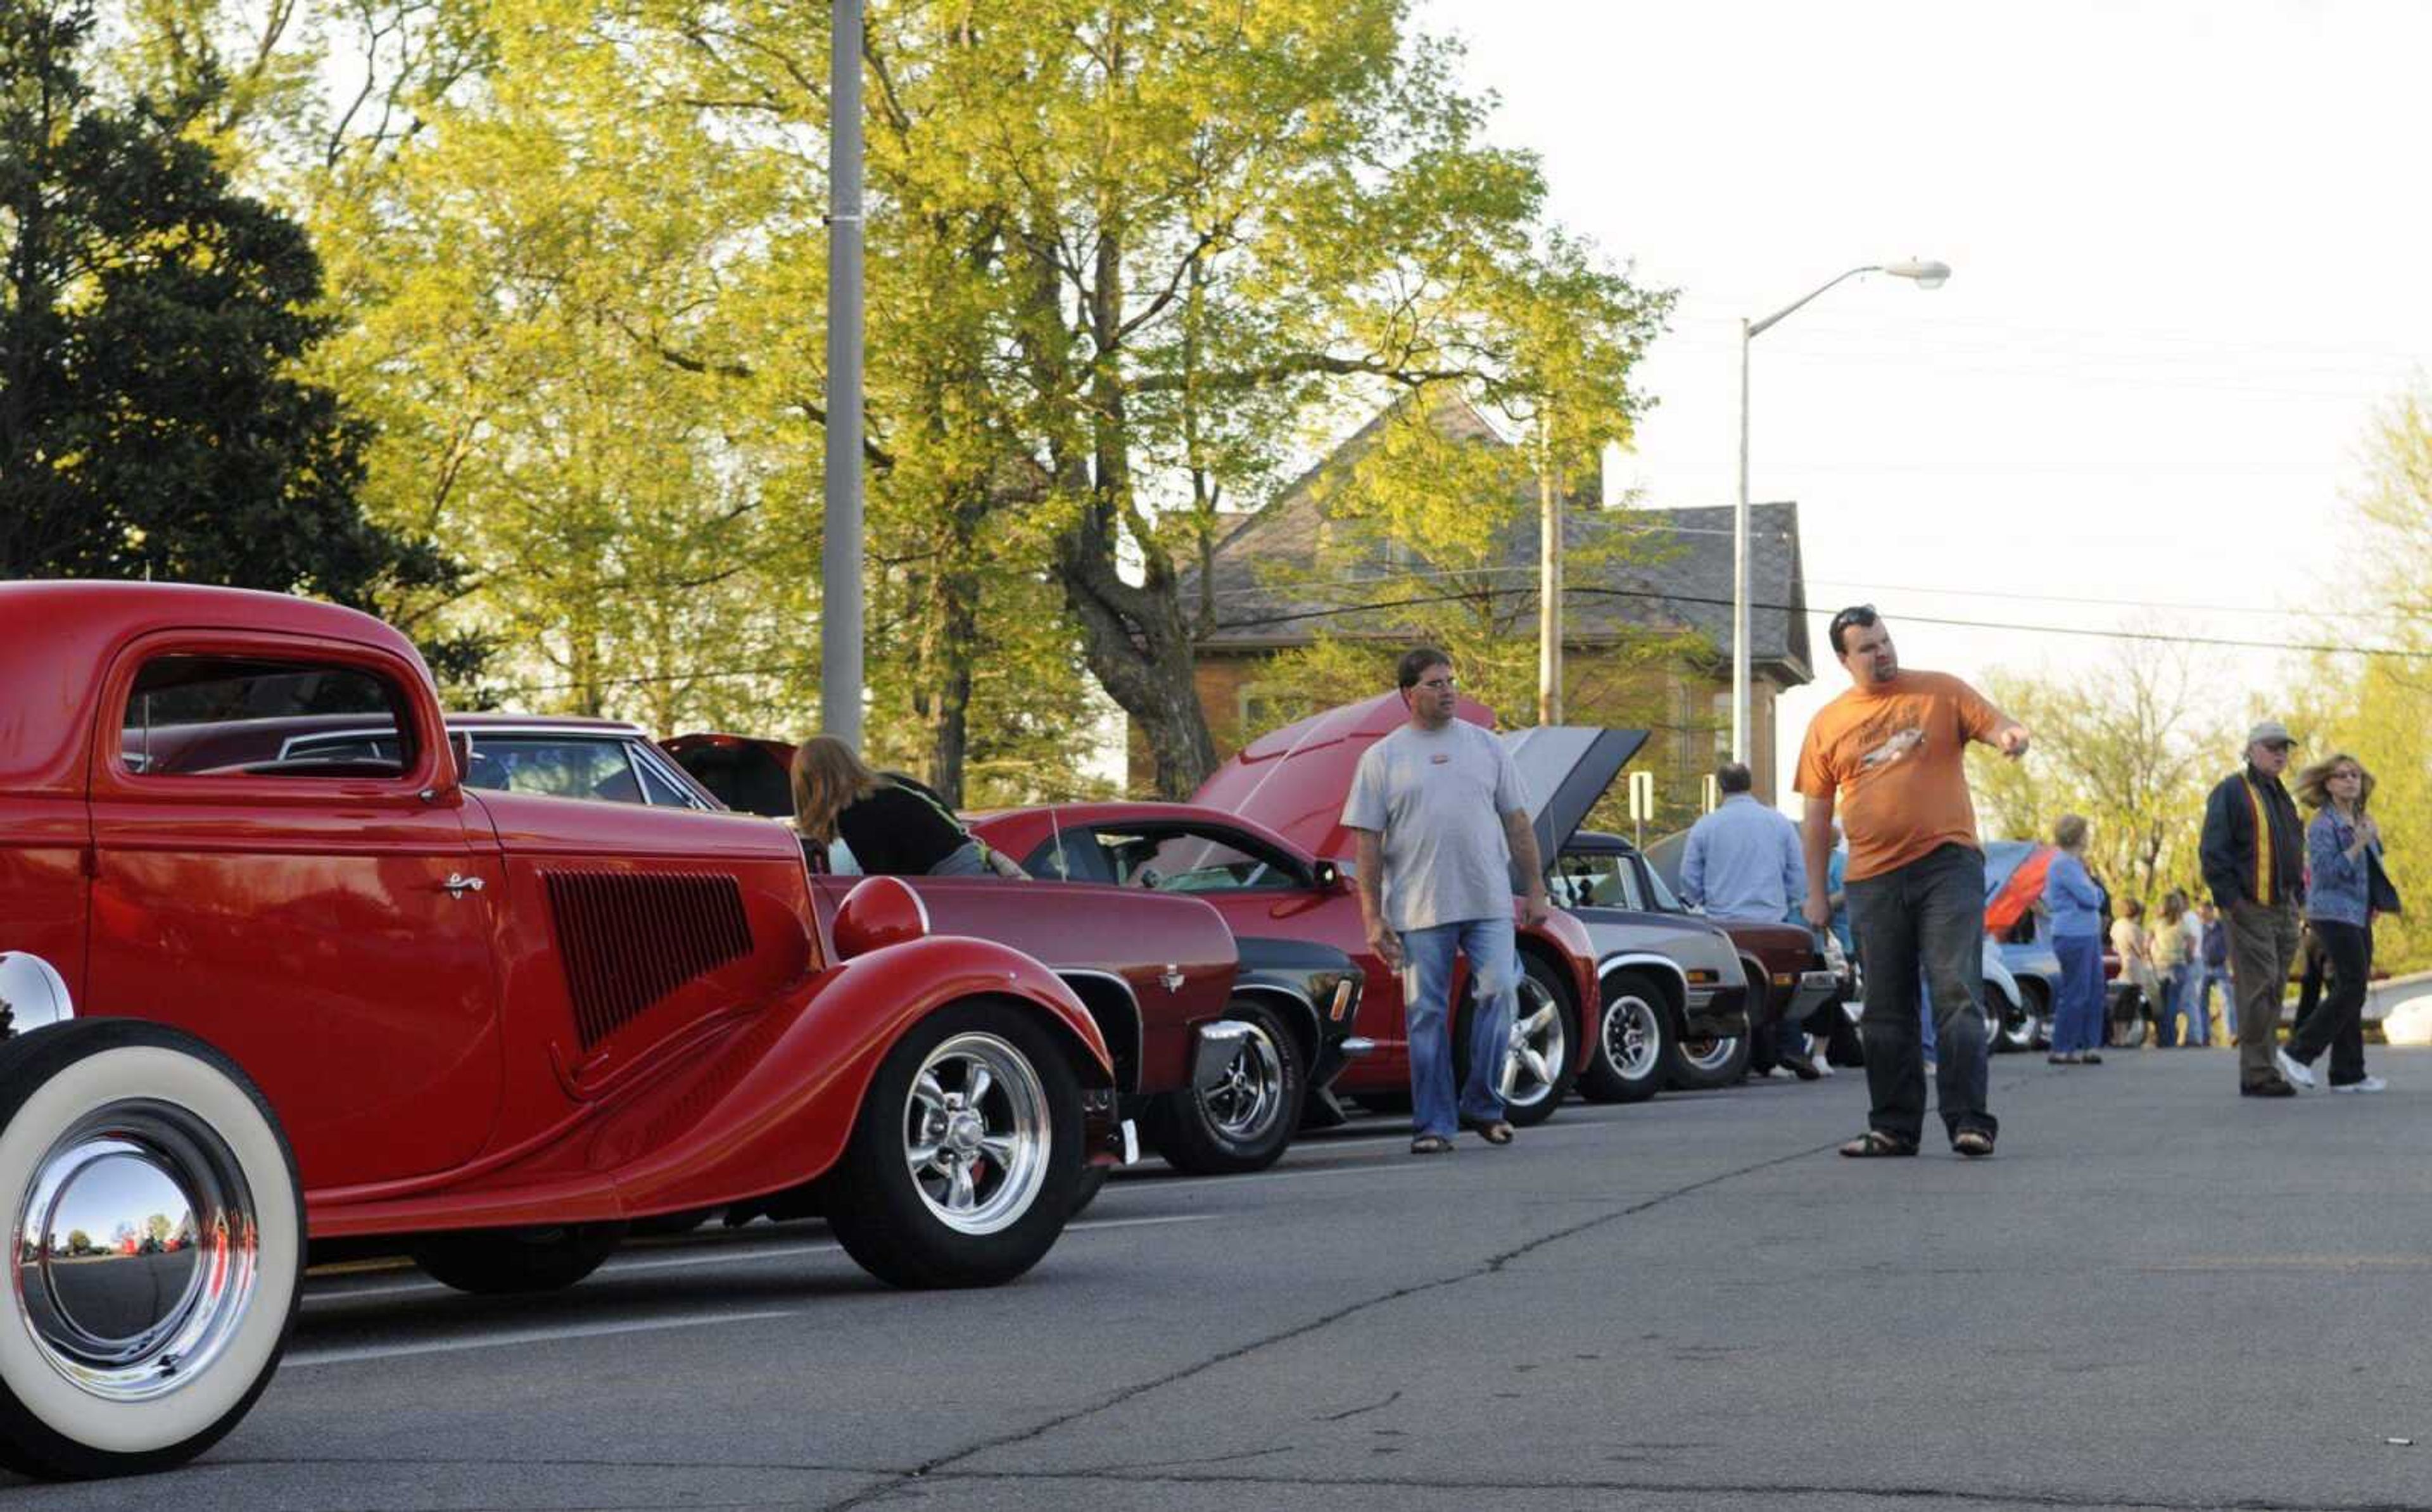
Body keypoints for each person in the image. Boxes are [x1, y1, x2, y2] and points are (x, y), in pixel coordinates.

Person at [1797, 605, 2028, 1159]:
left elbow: (1996, 724)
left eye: (1885, 641)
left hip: (1947, 864)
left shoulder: (1940, 692)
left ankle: (1970, 1122)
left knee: (1957, 993)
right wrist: (1814, 894)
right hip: (1872, 879)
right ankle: (1894, 1127)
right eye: (1868, 648)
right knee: (1885, 1006)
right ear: (1843, 659)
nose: (1883, 653)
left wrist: (2011, 736)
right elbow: (1816, 815)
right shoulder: (1828, 723)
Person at [1342, 647, 1550, 1155]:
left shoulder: (1488, 747)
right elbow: (1366, 843)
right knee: (1426, 1015)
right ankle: (1433, 1124)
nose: (1448, 691)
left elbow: (1517, 822)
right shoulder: (1383, 758)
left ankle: (1483, 1104)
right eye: (1435, 684)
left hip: (1489, 900)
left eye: (1451, 681)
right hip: (1419, 907)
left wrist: (1536, 887)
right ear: (1408, 694)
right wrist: (1373, 917)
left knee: (1500, 989)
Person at [1681, 761, 1814, 1080]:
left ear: (1720, 786)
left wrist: (1697, 900)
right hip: (1771, 918)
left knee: (1736, 989)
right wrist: (1793, 899)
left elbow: (1689, 876)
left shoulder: (1706, 826)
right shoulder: (1778, 823)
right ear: (1750, 783)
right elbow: (1797, 871)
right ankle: (1790, 1048)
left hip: (1725, 922)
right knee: (1783, 984)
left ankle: (1746, 1056)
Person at [2198, 719, 2307, 1099]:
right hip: (2250, 906)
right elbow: (2213, 852)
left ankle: (2266, 1066)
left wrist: (2298, 901)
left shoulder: (2281, 795)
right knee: (2258, 987)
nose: (2280, 754)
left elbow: (2294, 851)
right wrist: (2232, 902)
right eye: (2272, 747)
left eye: (2284, 748)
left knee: (2274, 987)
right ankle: (2258, 1072)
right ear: (2250, 750)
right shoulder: (2232, 791)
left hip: (2284, 906)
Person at [2279, 752, 2397, 1093]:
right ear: (2328, 785)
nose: (2350, 781)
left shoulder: (2361, 820)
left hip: (2358, 915)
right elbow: (2326, 874)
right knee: (2351, 986)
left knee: (2352, 992)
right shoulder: (2322, 825)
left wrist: (2369, 842)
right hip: (2330, 914)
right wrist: (2359, 844)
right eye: (2343, 776)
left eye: (2355, 776)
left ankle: (2348, 1073)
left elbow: (2370, 870)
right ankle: (2298, 1052)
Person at [790, 735, 1001, 877]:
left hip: (949, 878)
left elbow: (881, 880)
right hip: (974, 865)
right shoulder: (893, 782)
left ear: (811, 782)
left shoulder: (854, 812)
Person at [2043, 815, 2107, 1066]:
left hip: (2086, 933)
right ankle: (2062, 1047)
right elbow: (2090, 897)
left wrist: (2094, 892)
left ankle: (2090, 1046)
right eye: (2086, 832)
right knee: (2076, 991)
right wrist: (2097, 892)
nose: (2088, 837)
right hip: (2073, 934)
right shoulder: (2064, 864)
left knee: (2094, 990)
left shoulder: (2073, 863)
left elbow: (2090, 893)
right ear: (2077, 836)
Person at [2110, 899, 2159, 1047]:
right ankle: (2123, 1037)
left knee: (2119, 1005)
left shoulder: (2116, 926)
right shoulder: (2134, 929)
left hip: (2120, 968)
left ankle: (2116, 1036)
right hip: (2133, 970)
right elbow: (2141, 950)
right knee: (2130, 1005)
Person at [2198, 902, 2232, 1044]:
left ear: (2212, 911)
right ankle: (2204, 1036)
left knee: (2227, 1001)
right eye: (2200, 913)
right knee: (2201, 1003)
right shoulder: (2198, 928)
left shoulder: (2222, 927)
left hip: (2220, 967)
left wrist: (2232, 966)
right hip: (2203, 967)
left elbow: (2231, 946)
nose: (2202, 916)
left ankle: (2232, 1035)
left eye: (2204, 912)